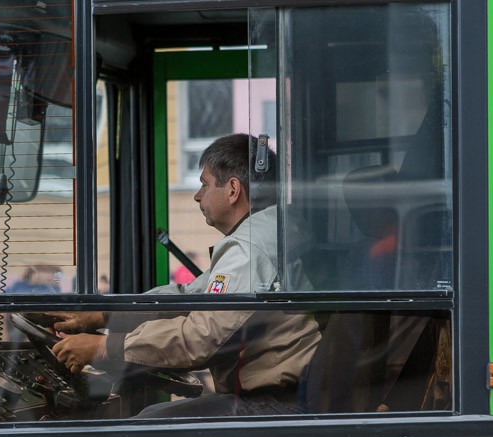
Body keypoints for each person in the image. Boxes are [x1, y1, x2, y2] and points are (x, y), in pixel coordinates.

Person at [51, 134, 321, 417]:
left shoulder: (250, 249)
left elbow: (199, 337)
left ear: (232, 190)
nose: (197, 195)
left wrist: (106, 347)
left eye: (205, 184)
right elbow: (188, 298)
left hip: (276, 403)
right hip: (288, 393)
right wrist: (103, 315)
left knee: (147, 425)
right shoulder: (272, 233)